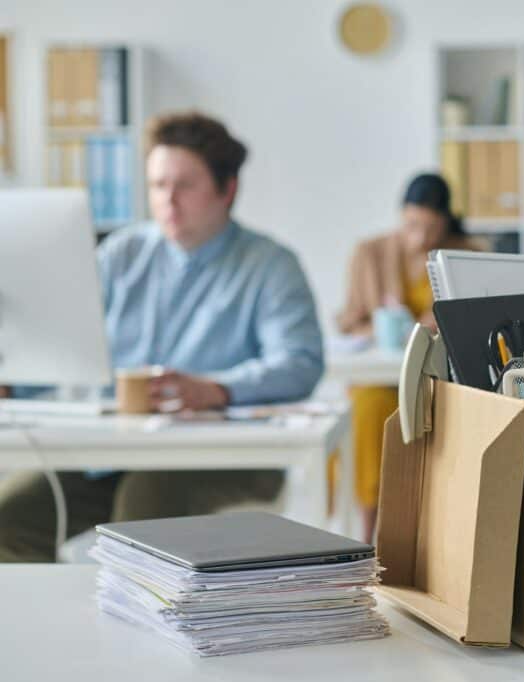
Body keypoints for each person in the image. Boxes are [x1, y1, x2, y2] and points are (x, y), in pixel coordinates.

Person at [0, 112, 325, 563]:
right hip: (113, 452)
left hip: (222, 457)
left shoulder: (271, 265)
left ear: (226, 189)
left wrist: (215, 389)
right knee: (7, 517)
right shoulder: (121, 254)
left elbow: (300, 362)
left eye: (185, 185)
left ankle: (140, 630)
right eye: (157, 185)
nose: (168, 200)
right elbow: (74, 345)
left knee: (144, 506)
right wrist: (17, 380)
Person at [336, 173, 479, 542]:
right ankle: (370, 530)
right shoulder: (369, 253)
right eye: (413, 224)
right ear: (401, 216)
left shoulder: (466, 255)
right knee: (369, 408)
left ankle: (422, 530)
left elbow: (477, 322)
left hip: (435, 379)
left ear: (446, 222)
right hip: (380, 378)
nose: (421, 237)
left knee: (430, 410)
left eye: (431, 227)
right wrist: (389, 326)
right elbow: (350, 321)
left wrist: (435, 322)